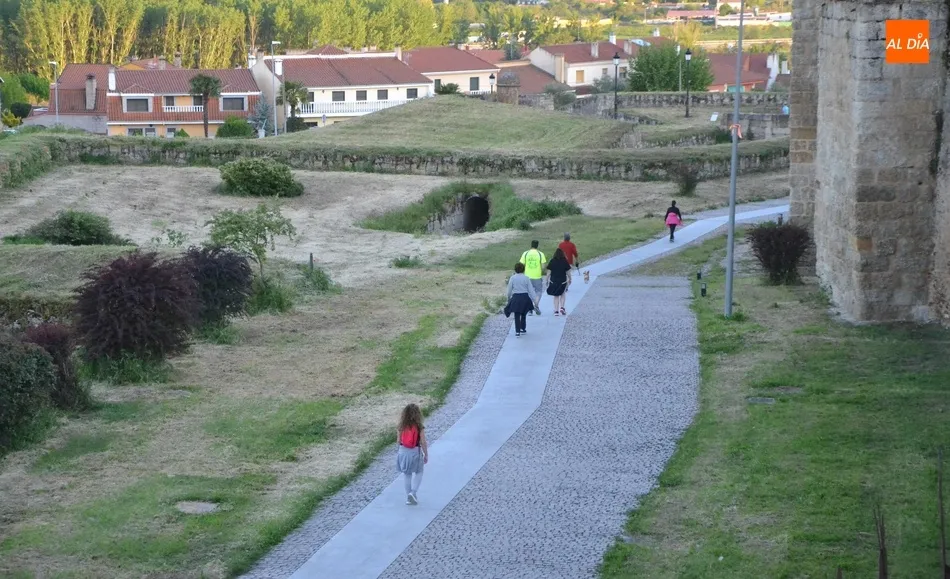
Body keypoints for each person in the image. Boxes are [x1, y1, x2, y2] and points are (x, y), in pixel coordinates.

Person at [396, 403, 428, 505]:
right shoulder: (419, 426)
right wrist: (426, 454)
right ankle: (413, 493)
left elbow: (398, 441)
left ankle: (408, 497)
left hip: (403, 451)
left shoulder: (401, 426)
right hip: (415, 451)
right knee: (419, 471)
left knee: (407, 474)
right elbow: (423, 442)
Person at [504, 262, 540, 337]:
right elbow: (531, 290)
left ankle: (517, 331)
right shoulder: (526, 278)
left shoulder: (513, 278)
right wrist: (535, 301)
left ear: (515, 269)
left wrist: (508, 298)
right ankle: (523, 328)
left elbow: (509, 289)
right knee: (524, 313)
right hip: (525, 298)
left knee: (516, 314)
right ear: (523, 269)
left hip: (516, 298)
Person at [519, 240, 546, 313]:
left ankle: (530, 308)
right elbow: (543, 266)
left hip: (527, 276)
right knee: (538, 291)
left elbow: (521, 265)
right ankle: (536, 304)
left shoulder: (525, 253)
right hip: (537, 276)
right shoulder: (540, 254)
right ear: (537, 246)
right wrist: (540, 270)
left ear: (531, 245)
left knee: (528, 292)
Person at [545, 248, 572, 316]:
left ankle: (556, 311)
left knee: (556, 296)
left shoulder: (552, 261)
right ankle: (562, 307)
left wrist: (546, 279)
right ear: (562, 254)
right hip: (563, 281)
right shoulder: (564, 261)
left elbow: (549, 272)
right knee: (562, 294)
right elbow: (568, 272)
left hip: (554, 281)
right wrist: (570, 279)